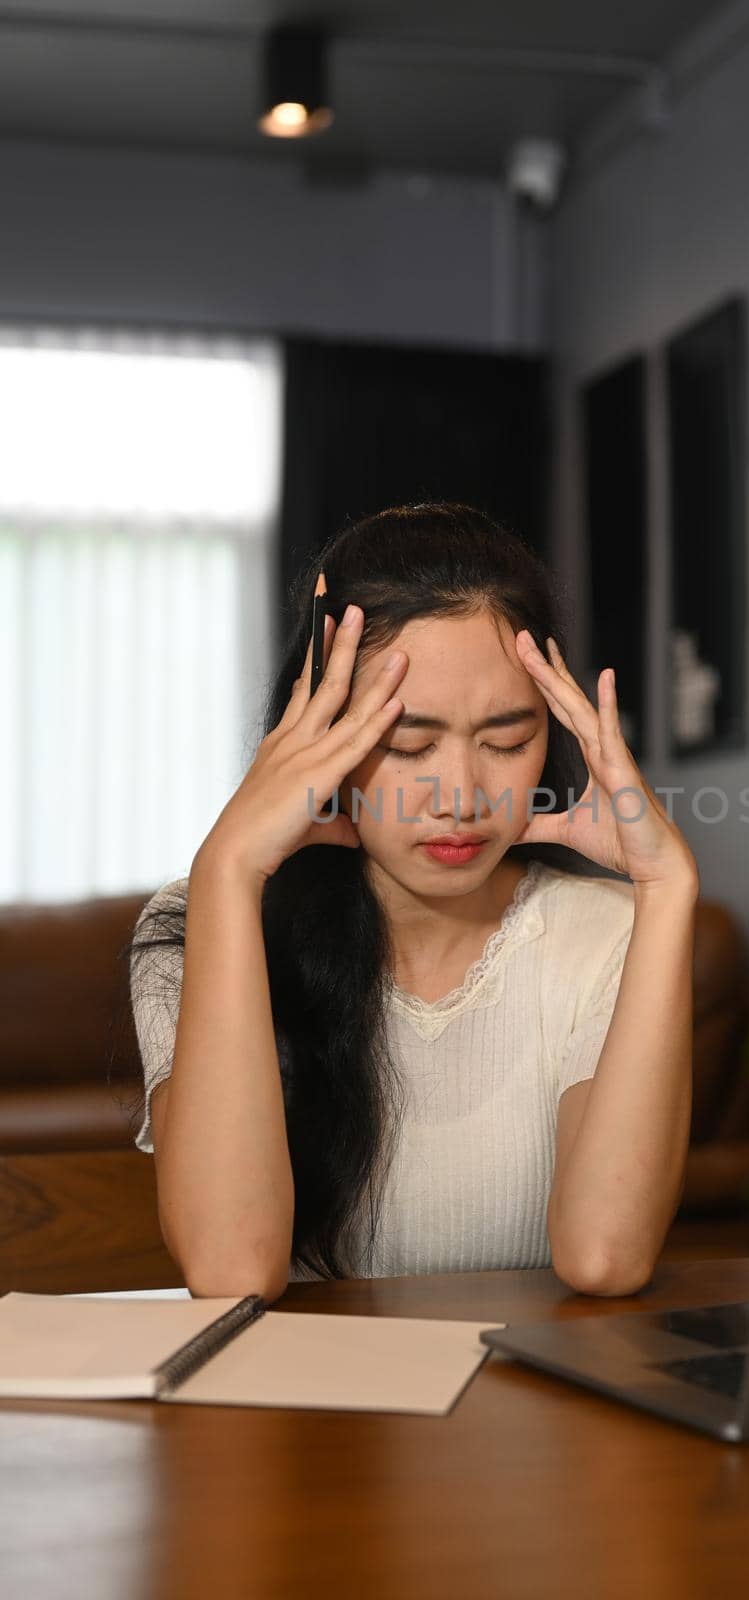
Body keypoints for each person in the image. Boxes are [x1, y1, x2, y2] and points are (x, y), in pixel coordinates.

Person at [127, 501, 700, 1302]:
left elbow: (605, 1256)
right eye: (407, 745)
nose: (460, 796)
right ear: (315, 729)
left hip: (526, 1421)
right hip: (303, 1421)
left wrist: (667, 890)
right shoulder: (194, 926)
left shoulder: (603, 935)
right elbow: (230, 1270)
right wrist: (228, 867)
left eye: (506, 741)